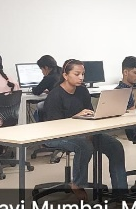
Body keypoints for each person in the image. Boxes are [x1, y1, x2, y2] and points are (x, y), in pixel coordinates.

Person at [41, 59, 128, 198]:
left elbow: (89, 112)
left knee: (115, 146)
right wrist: (75, 117)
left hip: (83, 133)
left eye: (83, 74)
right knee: (84, 146)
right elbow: (54, 125)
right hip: (56, 136)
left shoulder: (82, 90)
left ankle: (121, 193)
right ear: (65, 75)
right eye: (77, 74)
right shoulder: (55, 95)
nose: (81, 77)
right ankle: (77, 184)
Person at [31, 55, 62, 122]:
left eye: (41, 69)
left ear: (46, 67)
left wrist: (32, 88)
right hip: (64, 103)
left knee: (39, 108)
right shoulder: (61, 72)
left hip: (56, 105)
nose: (42, 72)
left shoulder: (49, 77)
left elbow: (36, 91)